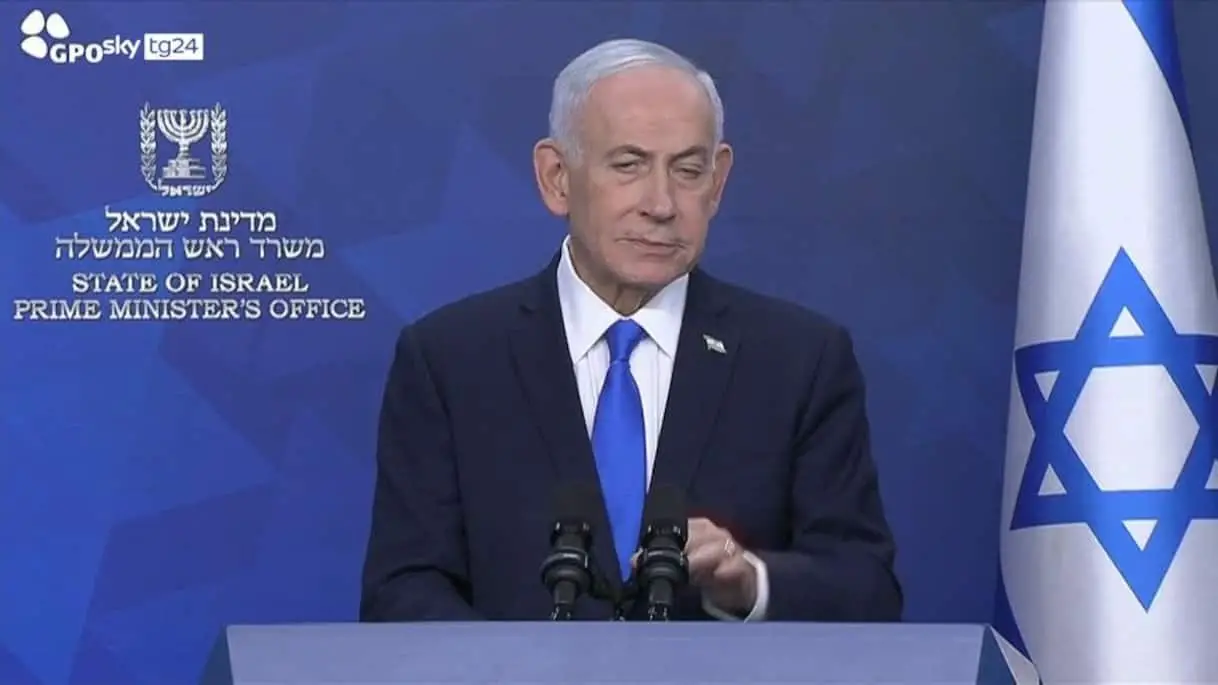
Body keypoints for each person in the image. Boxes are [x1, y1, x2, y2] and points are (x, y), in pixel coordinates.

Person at [359, 37, 902, 622]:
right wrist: (509, 665)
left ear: (718, 182)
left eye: (688, 170)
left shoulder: (798, 360)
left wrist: (750, 584)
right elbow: (404, 592)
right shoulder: (451, 359)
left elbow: (865, 589)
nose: (661, 204)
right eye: (628, 165)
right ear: (556, 178)